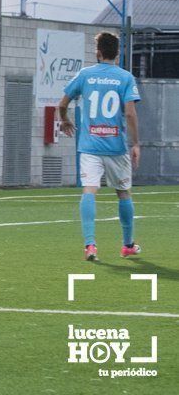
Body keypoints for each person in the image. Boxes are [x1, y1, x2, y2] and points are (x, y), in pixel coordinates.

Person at [58, 31, 141, 261]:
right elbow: (130, 113)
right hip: (116, 148)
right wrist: (135, 143)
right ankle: (127, 245)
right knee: (123, 193)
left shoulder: (85, 75)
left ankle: (90, 245)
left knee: (89, 191)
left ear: (98, 52)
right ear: (117, 53)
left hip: (90, 147)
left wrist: (64, 120)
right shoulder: (125, 78)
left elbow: (62, 103)